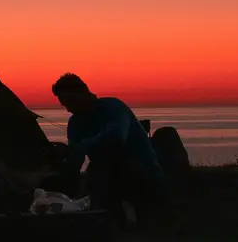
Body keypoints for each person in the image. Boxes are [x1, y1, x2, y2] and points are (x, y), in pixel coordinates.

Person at [50, 72, 164, 215]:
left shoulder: (113, 107)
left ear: (84, 93)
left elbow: (116, 138)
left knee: (102, 168)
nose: (68, 109)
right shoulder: (75, 123)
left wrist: (72, 149)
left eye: (71, 102)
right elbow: (75, 163)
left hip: (141, 173)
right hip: (106, 179)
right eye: (65, 105)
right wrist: (55, 160)